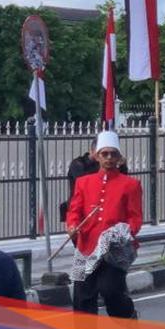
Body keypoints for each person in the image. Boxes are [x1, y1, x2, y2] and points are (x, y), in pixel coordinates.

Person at [66, 131, 143, 318]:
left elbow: (135, 218)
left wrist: (125, 232)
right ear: (97, 156)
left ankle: (128, 315)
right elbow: (74, 210)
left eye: (113, 154)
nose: (109, 158)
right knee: (82, 296)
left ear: (119, 158)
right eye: (104, 154)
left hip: (114, 249)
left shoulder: (130, 184)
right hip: (86, 246)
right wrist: (72, 226)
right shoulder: (83, 182)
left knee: (110, 291)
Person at [63, 140, 129, 223]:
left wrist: (121, 166)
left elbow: (120, 180)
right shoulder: (78, 164)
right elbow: (89, 180)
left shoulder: (105, 165)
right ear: (92, 151)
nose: (108, 157)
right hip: (81, 206)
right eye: (103, 153)